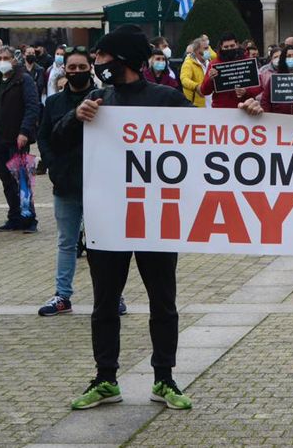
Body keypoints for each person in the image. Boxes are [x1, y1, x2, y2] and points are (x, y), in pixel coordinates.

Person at [55, 25, 263, 410]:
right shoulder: (98, 100)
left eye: (102, 57)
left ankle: (164, 378)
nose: (97, 63)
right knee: (104, 304)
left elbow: (211, 135)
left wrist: (246, 114)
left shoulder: (166, 99)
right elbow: (55, 140)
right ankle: (105, 379)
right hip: (109, 221)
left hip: (156, 220)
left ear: (123, 61)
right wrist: (74, 118)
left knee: (163, 303)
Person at [37, 46, 96, 317]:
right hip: (66, 181)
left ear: (90, 67)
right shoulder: (53, 103)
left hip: (99, 182)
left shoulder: (103, 98)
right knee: (66, 242)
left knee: (104, 243)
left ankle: (111, 294)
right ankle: (62, 295)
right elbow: (44, 137)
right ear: (64, 70)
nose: (76, 72)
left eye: (81, 67)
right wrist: (53, 166)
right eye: (71, 67)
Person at [0, 46, 41, 233]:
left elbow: (32, 107)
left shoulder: (23, 80)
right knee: (7, 181)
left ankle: (29, 218)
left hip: (18, 138)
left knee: (23, 180)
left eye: (6, 57)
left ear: (14, 60)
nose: (2, 61)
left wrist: (24, 131)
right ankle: (14, 216)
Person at [200, 33, 262, 108]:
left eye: (232, 46)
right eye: (226, 47)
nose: (229, 49)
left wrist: (246, 91)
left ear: (237, 44)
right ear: (221, 47)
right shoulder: (214, 64)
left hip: (245, 108)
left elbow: (259, 86)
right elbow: (204, 91)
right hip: (221, 109)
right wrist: (210, 79)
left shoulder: (248, 62)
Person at [180, 37, 209, 107]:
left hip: (211, 105)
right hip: (197, 107)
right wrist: (196, 86)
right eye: (205, 48)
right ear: (196, 50)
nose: (208, 51)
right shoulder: (188, 63)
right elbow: (184, 79)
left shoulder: (210, 62)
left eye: (208, 48)